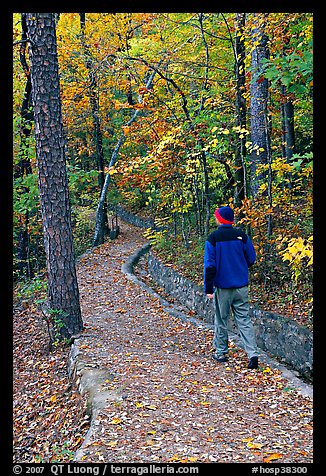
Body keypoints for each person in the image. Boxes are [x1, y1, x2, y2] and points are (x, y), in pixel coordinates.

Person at [204, 205, 259, 369]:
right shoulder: (242, 236)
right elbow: (251, 259)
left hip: (223, 287)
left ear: (219, 219)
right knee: (244, 320)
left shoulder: (213, 238)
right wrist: (239, 267)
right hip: (241, 286)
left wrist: (208, 288)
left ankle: (221, 352)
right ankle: (253, 354)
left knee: (221, 319)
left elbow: (210, 266)